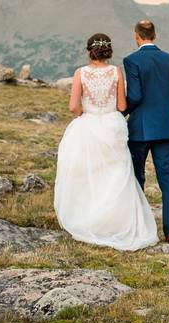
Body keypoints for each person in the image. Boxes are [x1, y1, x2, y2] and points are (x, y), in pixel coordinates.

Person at [53, 32, 159, 251]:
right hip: (112, 125)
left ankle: (89, 218)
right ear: (108, 51)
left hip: (89, 124)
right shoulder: (116, 72)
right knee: (116, 174)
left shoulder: (80, 73)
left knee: (87, 172)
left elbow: (73, 106)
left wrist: (87, 111)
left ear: (89, 50)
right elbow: (122, 106)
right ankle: (115, 222)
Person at [123, 20, 169, 244]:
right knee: (167, 178)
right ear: (154, 35)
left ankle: (138, 226)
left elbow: (136, 95)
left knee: (137, 177)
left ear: (137, 36)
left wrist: (121, 113)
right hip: (167, 128)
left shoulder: (132, 60)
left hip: (140, 128)